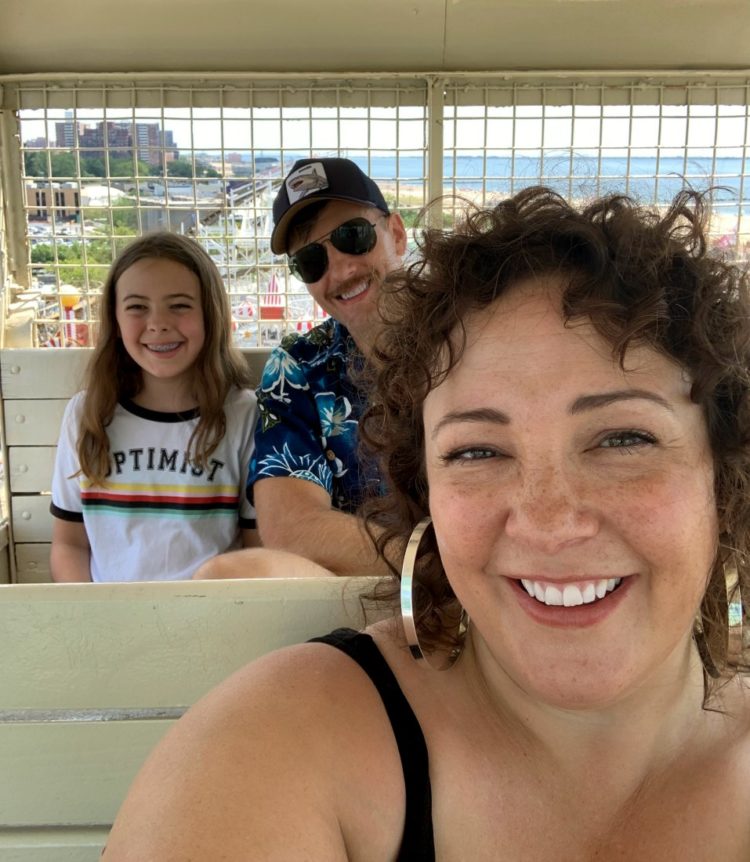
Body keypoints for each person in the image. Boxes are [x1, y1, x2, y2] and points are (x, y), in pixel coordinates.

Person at [102, 187, 750, 859]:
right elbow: (289, 524)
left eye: (621, 439)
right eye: (477, 451)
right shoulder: (283, 745)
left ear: (724, 475)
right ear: (426, 496)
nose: (550, 522)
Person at [195, 157, 408, 580]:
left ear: (397, 235)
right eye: (311, 261)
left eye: (353, 236)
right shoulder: (299, 368)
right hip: (371, 595)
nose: (341, 270)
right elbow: (290, 525)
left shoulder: (469, 337)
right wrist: (437, 568)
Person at [50, 231, 259, 582]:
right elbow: (69, 544)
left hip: (212, 622)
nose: (158, 323)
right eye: (137, 307)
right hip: (115, 623)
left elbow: (256, 549)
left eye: (179, 305)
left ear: (210, 314)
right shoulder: (87, 414)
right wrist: (87, 618)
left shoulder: (243, 414)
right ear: (115, 321)